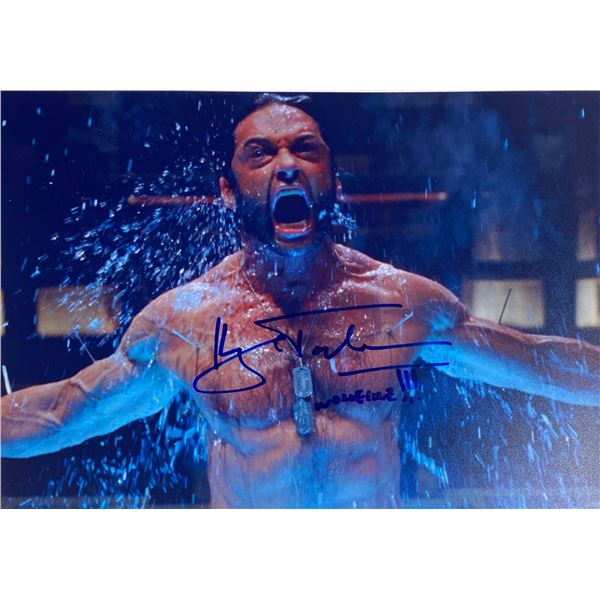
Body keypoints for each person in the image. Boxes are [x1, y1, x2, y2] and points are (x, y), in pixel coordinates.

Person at [2, 94, 599, 508]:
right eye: (260, 153)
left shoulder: (401, 304)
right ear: (228, 191)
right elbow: (65, 410)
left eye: (305, 149)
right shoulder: (183, 323)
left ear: (332, 183)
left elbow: (537, 360)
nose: (286, 165)